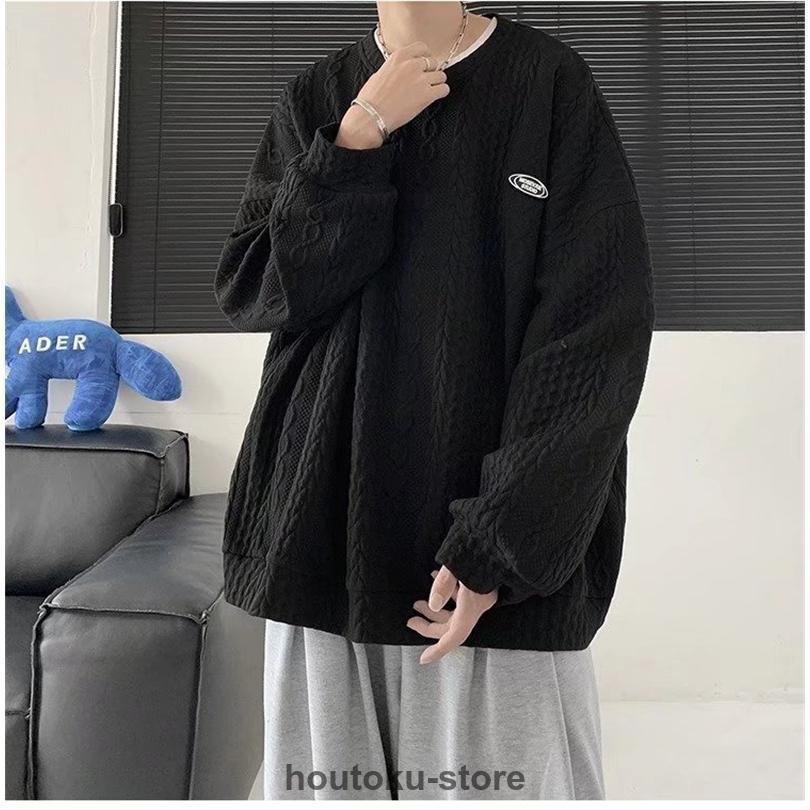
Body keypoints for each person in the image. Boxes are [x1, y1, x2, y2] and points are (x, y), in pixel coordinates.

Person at [214, 1, 654, 800]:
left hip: (486, 568)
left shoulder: (549, 84)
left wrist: (500, 542)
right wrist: (356, 137)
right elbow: (261, 292)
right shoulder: (318, 97)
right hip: (326, 532)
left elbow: (596, 333)